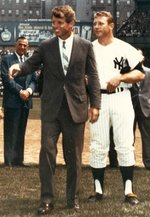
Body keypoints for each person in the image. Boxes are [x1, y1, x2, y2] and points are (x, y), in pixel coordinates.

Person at [8, 5, 101, 215]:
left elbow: (93, 76)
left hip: (75, 108)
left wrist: (95, 104)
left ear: (71, 24)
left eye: (59, 23)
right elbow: (30, 64)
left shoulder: (85, 46)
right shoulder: (46, 45)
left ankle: (73, 199)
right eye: (53, 23)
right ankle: (47, 200)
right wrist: (18, 68)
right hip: (51, 109)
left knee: (74, 158)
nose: (55, 27)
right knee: (47, 155)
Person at [88, 11, 145, 205]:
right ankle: (97, 190)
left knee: (124, 143)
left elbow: (139, 74)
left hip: (122, 97)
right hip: (98, 98)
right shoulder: (89, 48)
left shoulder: (124, 47)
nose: (96, 26)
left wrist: (120, 77)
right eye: (94, 23)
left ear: (111, 26)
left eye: (101, 23)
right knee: (98, 144)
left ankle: (129, 191)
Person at [1, 36, 37, 167]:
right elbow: (7, 80)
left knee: (21, 131)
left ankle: (19, 160)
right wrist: (20, 91)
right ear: (15, 45)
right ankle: (9, 161)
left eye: (25, 45)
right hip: (12, 101)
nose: (22, 47)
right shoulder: (7, 60)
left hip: (26, 101)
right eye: (20, 44)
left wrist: (29, 91)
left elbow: (34, 80)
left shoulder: (30, 62)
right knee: (11, 131)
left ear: (28, 47)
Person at [130, 49, 150, 169]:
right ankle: (129, 162)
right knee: (128, 136)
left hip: (146, 109)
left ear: (143, 58)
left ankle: (148, 163)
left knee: (147, 136)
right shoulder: (127, 73)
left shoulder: (149, 72)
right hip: (130, 107)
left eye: (139, 55)